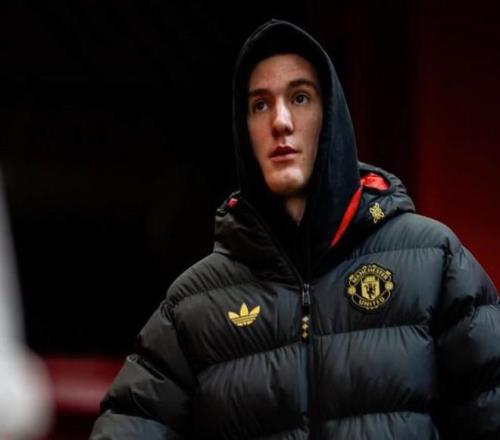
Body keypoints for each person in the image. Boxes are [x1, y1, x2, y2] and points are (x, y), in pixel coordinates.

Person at [91, 19, 500, 439]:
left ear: (331, 115)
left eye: (300, 97)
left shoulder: (433, 261)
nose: (280, 121)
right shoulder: (193, 306)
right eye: (260, 105)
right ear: (243, 129)